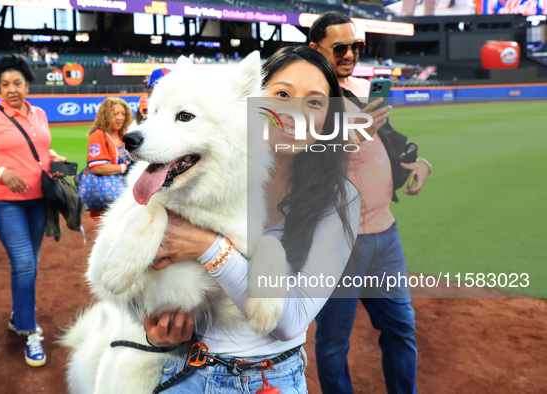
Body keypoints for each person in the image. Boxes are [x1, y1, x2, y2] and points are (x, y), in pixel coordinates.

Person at [142, 46, 361, 393]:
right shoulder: (187, 176)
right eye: (282, 94)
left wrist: (208, 248)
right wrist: (155, 328)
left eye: (315, 102)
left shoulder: (339, 197)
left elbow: (290, 323)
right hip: (183, 368)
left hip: (268, 379)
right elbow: (144, 280)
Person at [309, 11, 432, 394]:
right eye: (339, 47)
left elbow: (388, 140)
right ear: (315, 49)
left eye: (355, 46)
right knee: (332, 347)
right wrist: (362, 126)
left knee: (401, 329)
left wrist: (418, 162)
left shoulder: (361, 87)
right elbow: (309, 159)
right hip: (338, 243)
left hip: (385, 236)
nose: (349, 54)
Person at [0, 54, 67, 368]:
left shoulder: (38, 113)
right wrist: (1, 173)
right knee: (24, 262)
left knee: (30, 261)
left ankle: (18, 313)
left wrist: (55, 162)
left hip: (38, 198)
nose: (11, 89)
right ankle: (28, 329)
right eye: (5, 84)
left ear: (27, 84)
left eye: (17, 83)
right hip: (2, 200)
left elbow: (39, 153)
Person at [84, 97, 132, 220]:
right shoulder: (98, 135)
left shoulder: (123, 134)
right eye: (116, 114)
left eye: (123, 114)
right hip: (106, 192)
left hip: (122, 187)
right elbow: (97, 167)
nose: (120, 117)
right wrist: (123, 168)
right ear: (106, 115)